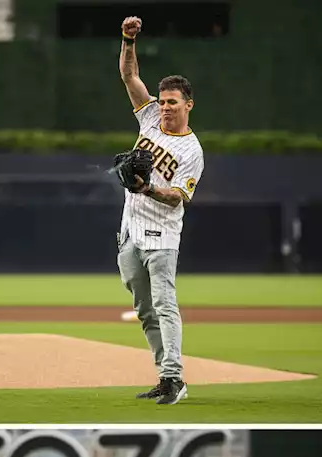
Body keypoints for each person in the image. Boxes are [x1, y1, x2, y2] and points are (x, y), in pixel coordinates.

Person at [118, 16, 205, 406]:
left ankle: (175, 378)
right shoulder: (150, 116)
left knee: (166, 306)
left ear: (188, 105)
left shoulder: (192, 151)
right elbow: (128, 75)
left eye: (173, 102)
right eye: (163, 100)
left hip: (163, 237)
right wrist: (128, 39)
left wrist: (145, 186)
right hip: (130, 231)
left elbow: (176, 197)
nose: (166, 107)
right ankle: (163, 375)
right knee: (144, 310)